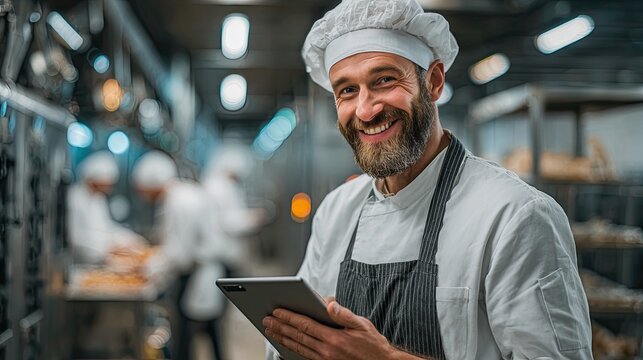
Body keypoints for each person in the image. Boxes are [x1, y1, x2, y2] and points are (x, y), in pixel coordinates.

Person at [262, 1, 592, 359]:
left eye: (384, 80)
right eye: (346, 90)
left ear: (433, 82)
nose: (365, 110)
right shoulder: (337, 211)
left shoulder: (513, 215)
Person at [132, 150, 240, 360]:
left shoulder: (180, 202)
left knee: (192, 332)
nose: (143, 196)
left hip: (201, 274)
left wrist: (149, 268)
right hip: (200, 271)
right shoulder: (181, 195)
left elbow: (180, 252)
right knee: (209, 331)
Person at [67, 150, 145, 264]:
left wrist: (128, 238)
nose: (109, 188)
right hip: (81, 261)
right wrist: (108, 247)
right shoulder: (74, 198)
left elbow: (105, 227)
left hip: (100, 260)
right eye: (106, 184)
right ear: (93, 180)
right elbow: (75, 237)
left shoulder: (98, 199)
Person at [201, 143, 266, 267]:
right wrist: (253, 218)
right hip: (221, 253)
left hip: (221, 252)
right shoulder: (220, 187)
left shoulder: (215, 184)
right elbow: (229, 222)